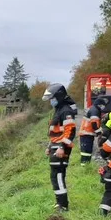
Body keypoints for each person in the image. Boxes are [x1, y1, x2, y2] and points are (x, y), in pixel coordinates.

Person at [42, 83, 78, 212]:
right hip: (55, 147)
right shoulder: (59, 110)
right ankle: (59, 203)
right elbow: (55, 133)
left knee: (58, 176)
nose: (51, 101)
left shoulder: (66, 111)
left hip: (61, 148)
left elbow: (70, 132)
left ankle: (63, 205)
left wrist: (62, 147)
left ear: (59, 96)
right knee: (54, 176)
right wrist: (49, 146)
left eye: (52, 98)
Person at [78, 96, 108, 165]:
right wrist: (99, 132)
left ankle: (85, 166)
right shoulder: (95, 111)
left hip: (86, 134)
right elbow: (94, 123)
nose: (103, 107)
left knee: (86, 152)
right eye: (103, 105)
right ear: (100, 105)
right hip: (87, 134)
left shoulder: (93, 109)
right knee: (86, 152)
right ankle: (85, 167)